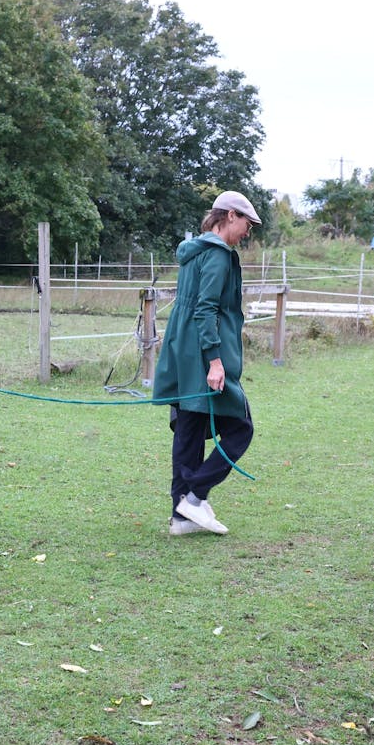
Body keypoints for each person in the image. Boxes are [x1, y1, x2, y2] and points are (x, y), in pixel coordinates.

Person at [152, 190, 259, 536]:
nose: (247, 232)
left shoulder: (193, 251)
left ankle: (181, 519)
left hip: (182, 349)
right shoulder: (216, 256)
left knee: (189, 430)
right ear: (229, 215)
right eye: (246, 223)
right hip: (201, 352)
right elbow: (206, 310)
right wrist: (214, 360)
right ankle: (194, 497)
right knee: (241, 427)